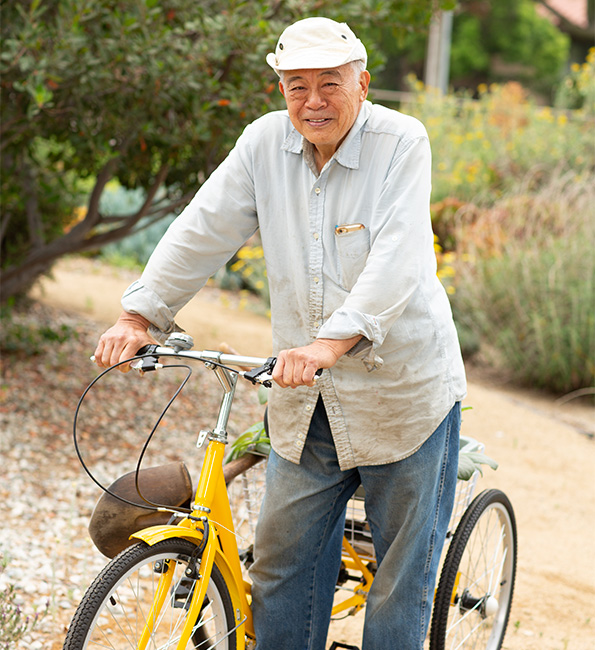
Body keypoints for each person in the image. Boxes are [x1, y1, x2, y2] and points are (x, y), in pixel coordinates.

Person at [94, 16, 466, 650]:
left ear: (363, 83)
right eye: (298, 86)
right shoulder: (263, 144)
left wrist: (330, 343)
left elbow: (400, 256)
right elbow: (203, 228)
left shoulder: (402, 140)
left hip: (405, 397)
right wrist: (140, 315)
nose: (313, 101)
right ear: (282, 91)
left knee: (400, 584)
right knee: (280, 569)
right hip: (304, 400)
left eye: (330, 84)